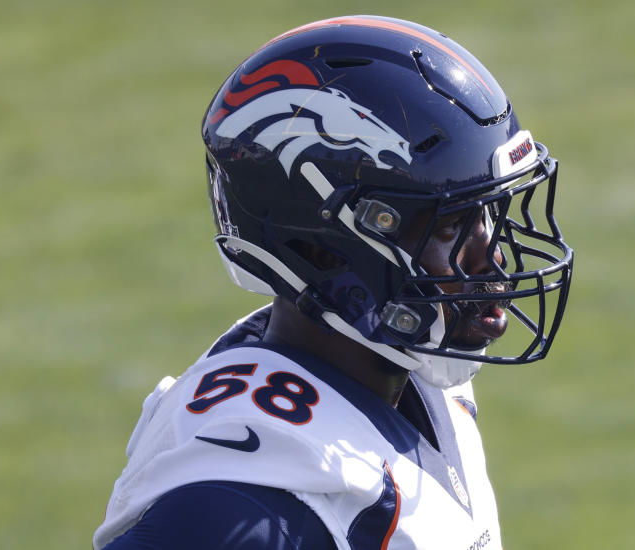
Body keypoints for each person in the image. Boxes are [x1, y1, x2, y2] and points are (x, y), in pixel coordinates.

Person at [94, 15, 574, 550]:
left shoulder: (413, 377)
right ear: (322, 249)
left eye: (486, 213)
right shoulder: (240, 505)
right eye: (449, 226)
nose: (493, 259)